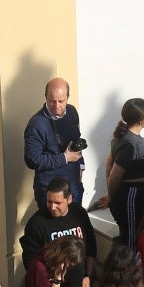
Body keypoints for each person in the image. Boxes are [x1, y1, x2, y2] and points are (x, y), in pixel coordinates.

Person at [23, 76, 86, 205]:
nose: (56, 106)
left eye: (61, 101)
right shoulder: (36, 124)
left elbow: (76, 142)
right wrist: (64, 158)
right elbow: (32, 160)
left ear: (68, 97)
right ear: (45, 97)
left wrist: (81, 167)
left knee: (75, 224)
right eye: (52, 101)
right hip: (51, 195)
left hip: (74, 188)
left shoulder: (72, 112)